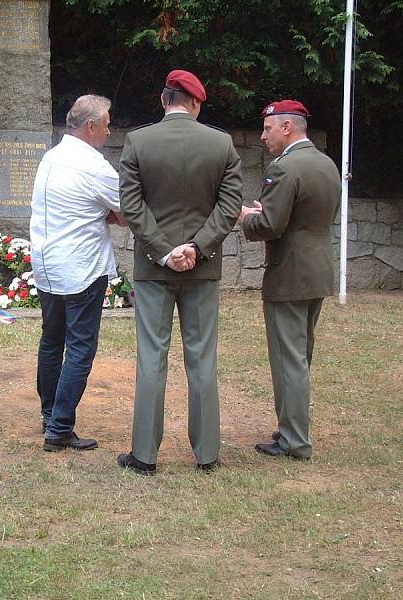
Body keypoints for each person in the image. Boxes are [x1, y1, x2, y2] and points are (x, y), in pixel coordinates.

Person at [116, 70, 243, 475]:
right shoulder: (221, 144)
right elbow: (229, 207)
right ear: (196, 103)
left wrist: (165, 251)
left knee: (152, 358)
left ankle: (145, 456)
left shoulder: (138, 141)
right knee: (202, 358)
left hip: (154, 269)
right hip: (202, 268)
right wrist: (197, 247)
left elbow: (132, 207)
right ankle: (207, 454)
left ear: (163, 99)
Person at [237, 99, 341, 460]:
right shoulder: (326, 164)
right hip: (318, 270)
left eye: (267, 128)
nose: (263, 135)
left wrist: (244, 217)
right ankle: (292, 426)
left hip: (289, 274)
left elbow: (269, 226)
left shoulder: (284, 169)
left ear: (287, 127)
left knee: (289, 359)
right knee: (301, 355)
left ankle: (294, 440)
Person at [30, 94, 128, 452]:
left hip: (47, 265)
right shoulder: (96, 166)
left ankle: (49, 412)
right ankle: (59, 427)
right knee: (81, 349)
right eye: (106, 123)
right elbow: (127, 213)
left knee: (52, 340)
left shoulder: (50, 157)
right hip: (81, 269)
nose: (109, 129)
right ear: (91, 126)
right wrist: (105, 215)